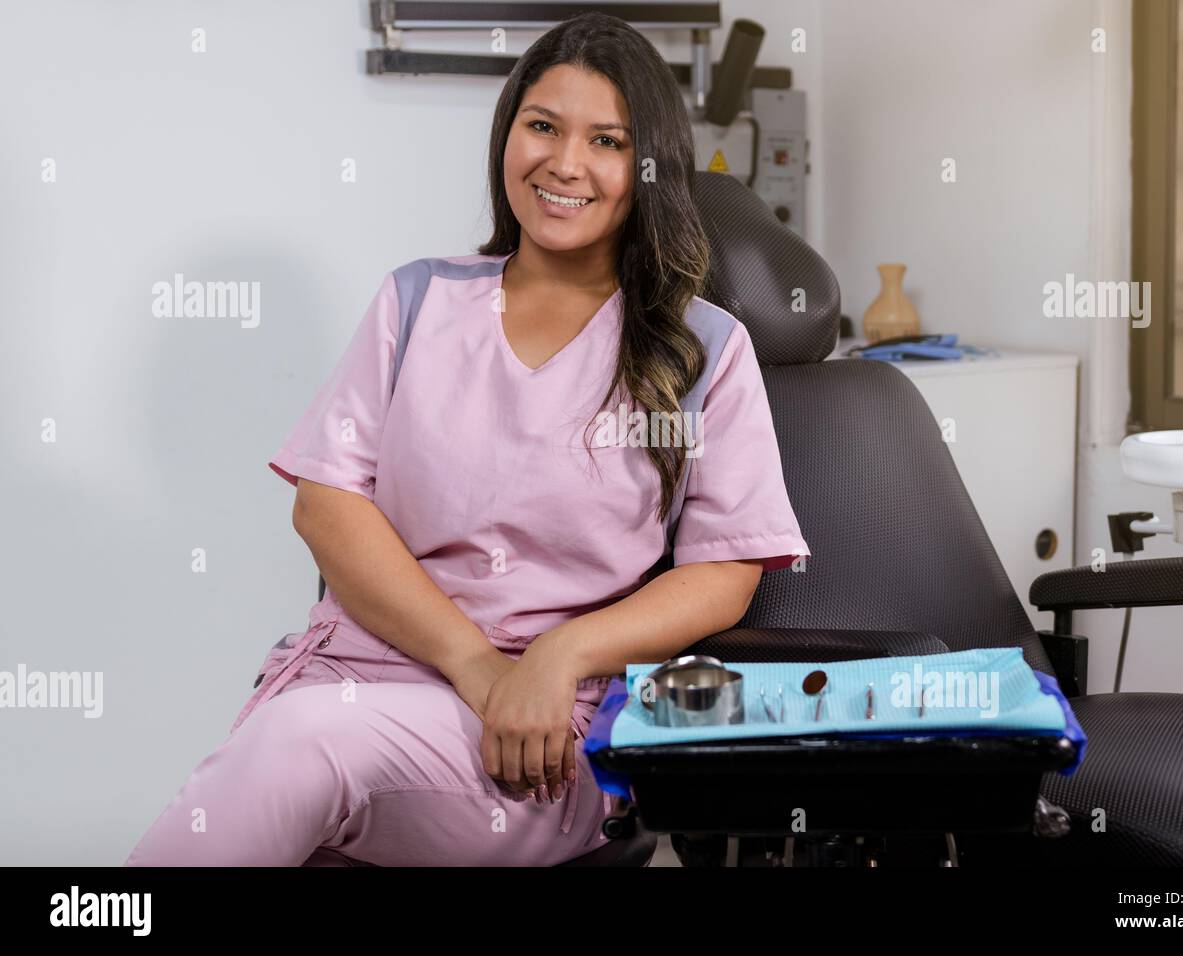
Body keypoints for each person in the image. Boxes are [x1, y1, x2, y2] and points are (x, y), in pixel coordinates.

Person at [124, 11, 809, 867]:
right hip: (365, 679)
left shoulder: (702, 348)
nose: (564, 163)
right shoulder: (418, 302)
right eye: (543, 126)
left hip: (539, 733)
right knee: (297, 758)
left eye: (605, 141)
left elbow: (724, 573)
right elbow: (328, 504)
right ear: (507, 136)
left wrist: (558, 654)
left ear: (646, 169)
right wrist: (472, 662)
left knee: (304, 747)